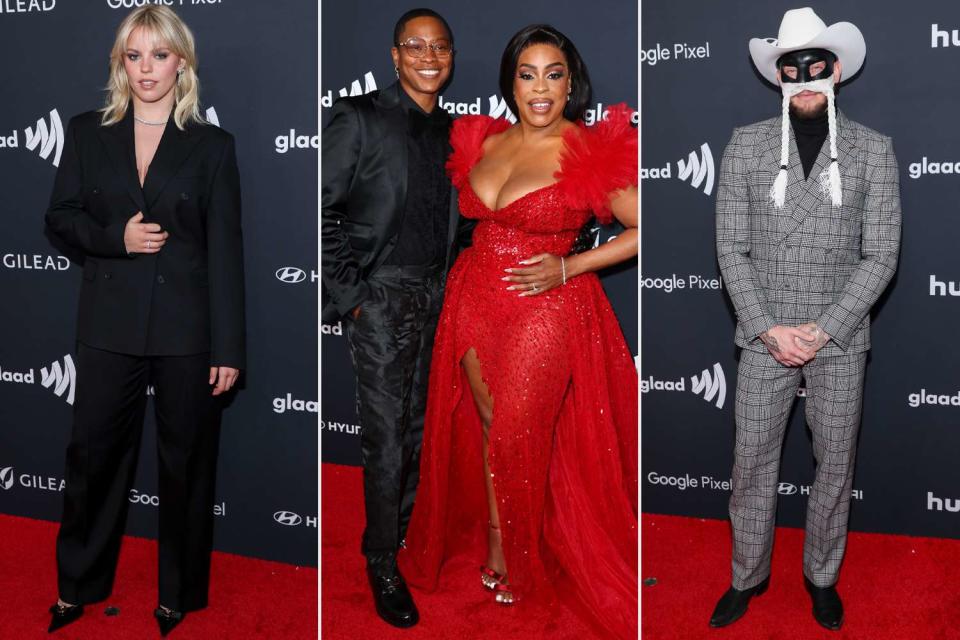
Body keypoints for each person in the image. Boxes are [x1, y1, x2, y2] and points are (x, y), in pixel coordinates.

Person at [399, 24, 639, 639]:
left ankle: (527, 555)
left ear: (570, 82)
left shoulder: (589, 147)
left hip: (545, 305)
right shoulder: (484, 141)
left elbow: (648, 227)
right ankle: (501, 542)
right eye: (527, 74)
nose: (540, 88)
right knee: (486, 423)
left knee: (516, 429)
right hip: (473, 297)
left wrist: (572, 264)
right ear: (510, 82)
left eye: (553, 74)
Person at [45, 6, 245, 636]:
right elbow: (60, 218)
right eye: (134, 56)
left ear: (180, 61)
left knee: (187, 464)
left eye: (159, 55)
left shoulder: (213, 146)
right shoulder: (86, 132)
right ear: (119, 63)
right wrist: (115, 238)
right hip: (108, 324)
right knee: (92, 459)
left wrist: (229, 346)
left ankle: (178, 594)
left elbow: (226, 252)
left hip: (188, 331)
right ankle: (78, 585)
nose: (146, 69)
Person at [711, 8, 900, 631]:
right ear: (778, 76)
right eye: (794, 69)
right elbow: (730, 248)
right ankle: (747, 575)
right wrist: (770, 328)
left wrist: (824, 328)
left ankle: (821, 576)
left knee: (835, 464)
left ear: (838, 71)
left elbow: (882, 255)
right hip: (766, 337)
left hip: (839, 340)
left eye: (818, 67)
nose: (807, 79)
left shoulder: (874, 151)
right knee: (752, 462)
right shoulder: (745, 145)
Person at [320, 7, 466, 629]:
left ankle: (403, 534)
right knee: (385, 437)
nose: (429, 56)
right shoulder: (359, 117)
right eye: (415, 45)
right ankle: (379, 558)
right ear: (395, 54)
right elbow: (322, 211)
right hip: (382, 299)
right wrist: (354, 296)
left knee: (421, 429)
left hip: (442, 296)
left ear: (452, 56)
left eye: (440, 46)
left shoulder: (461, 132)